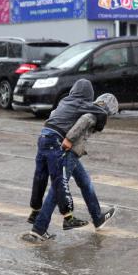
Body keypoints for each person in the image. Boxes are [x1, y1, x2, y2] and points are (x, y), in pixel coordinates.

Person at [27, 92, 118, 242]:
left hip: (72, 152)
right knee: (57, 190)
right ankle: (39, 228)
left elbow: (54, 113)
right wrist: (69, 140)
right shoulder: (93, 114)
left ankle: (97, 217)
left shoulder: (81, 106)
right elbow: (84, 121)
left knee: (85, 182)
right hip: (68, 152)